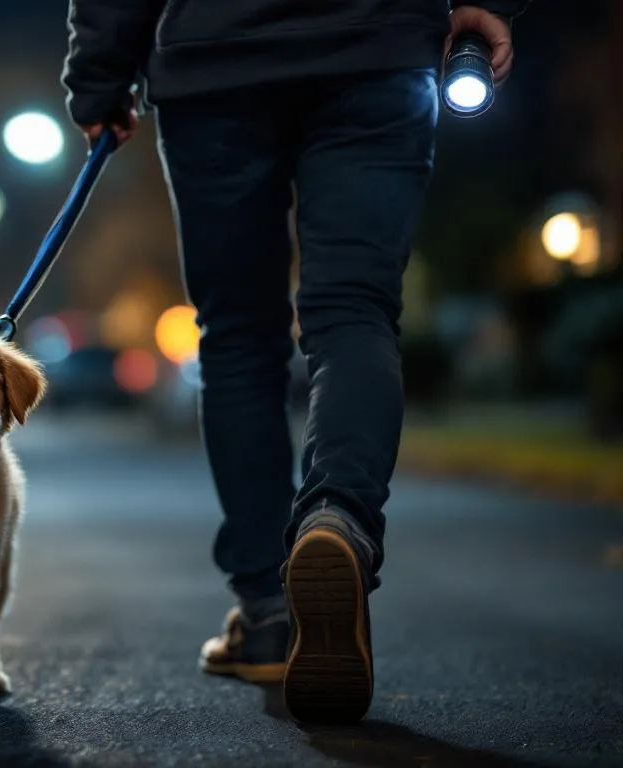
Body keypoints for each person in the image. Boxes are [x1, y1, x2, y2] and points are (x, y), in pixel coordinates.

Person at [62, 0, 530, 724]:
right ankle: (337, 517)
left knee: (239, 337)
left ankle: (269, 610)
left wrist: (99, 76)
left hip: (215, 62)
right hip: (376, 48)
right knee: (354, 311)